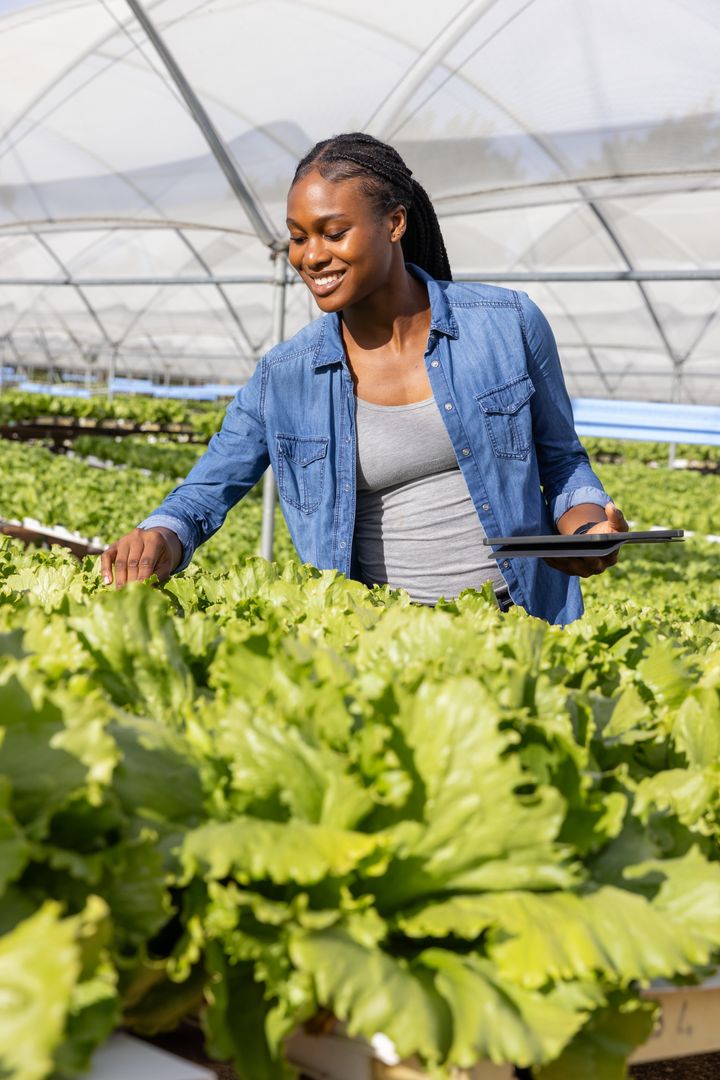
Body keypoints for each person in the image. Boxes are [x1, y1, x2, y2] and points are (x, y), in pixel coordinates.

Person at [102, 132, 628, 625]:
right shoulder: (285, 377)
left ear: (395, 223)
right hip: (373, 637)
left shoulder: (506, 324)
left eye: (333, 233)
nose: (311, 256)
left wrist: (584, 528)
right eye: (298, 237)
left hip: (521, 621)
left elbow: (562, 461)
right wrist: (159, 538)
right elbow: (202, 496)